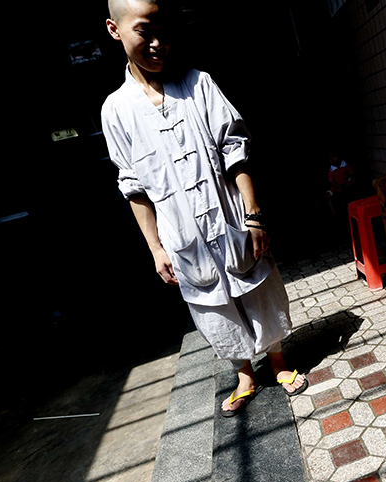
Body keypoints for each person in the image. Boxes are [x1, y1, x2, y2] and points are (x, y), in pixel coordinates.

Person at [100, 0, 307, 415]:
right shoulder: (115, 111)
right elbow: (133, 186)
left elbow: (236, 151)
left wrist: (253, 214)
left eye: (164, 31)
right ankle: (245, 371)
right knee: (211, 305)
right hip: (182, 234)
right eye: (145, 31)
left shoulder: (199, 83)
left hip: (231, 217)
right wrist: (156, 248)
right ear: (114, 29)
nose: (159, 43)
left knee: (259, 287)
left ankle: (279, 359)